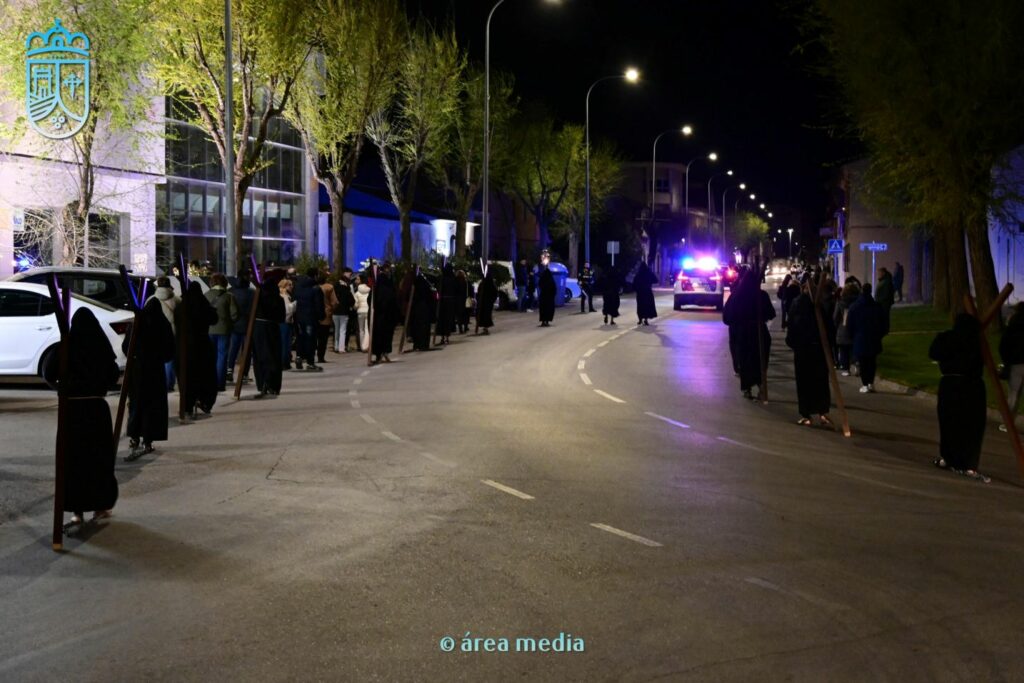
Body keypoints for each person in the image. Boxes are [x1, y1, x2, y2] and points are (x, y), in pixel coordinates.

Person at [43, 308, 120, 534]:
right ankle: (100, 506)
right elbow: (113, 374)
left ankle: (76, 511)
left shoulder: (66, 347)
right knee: (97, 459)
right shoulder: (101, 347)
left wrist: (62, 388)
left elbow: (48, 372)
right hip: (96, 409)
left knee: (74, 459)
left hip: (72, 410)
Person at [929, 314, 987, 479]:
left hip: (952, 384)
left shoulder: (948, 338)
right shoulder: (976, 341)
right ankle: (968, 462)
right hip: (973, 386)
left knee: (949, 422)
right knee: (972, 426)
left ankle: (950, 457)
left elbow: (934, 352)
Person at [123, 295, 175, 460]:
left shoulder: (136, 324)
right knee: (153, 405)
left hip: (137, 370)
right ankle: (148, 439)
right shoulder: (163, 325)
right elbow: (169, 350)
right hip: (155, 370)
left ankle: (134, 436)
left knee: (136, 403)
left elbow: (126, 347)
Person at [786, 277, 834, 426]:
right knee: (820, 381)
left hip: (804, 350)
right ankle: (822, 411)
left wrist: (794, 343)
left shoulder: (801, 304)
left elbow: (792, 326)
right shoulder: (818, 305)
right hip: (817, 349)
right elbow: (829, 327)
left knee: (805, 382)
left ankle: (807, 414)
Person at [723, 270, 776, 399]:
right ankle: (760, 384)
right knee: (759, 360)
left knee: (745, 360)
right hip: (758, 332)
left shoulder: (736, 295)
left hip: (743, 333)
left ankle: (747, 388)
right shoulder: (761, 295)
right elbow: (771, 313)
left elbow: (727, 317)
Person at [177, 281, 219, 417]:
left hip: (185, 346)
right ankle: (205, 400)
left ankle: (187, 405)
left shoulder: (182, 306)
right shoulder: (203, 304)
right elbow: (214, 318)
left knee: (187, 377)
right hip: (202, 344)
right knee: (205, 375)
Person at [846, 283, 884, 393]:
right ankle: (870, 382)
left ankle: (865, 383)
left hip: (860, 338)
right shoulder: (876, 306)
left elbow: (849, 324)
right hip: (873, 338)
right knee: (872, 361)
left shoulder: (854, 307)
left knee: (863, 362)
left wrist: (853, 335)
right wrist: (879, 334)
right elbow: (882, 323)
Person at [205, 273, 238, 391]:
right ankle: (220, 384)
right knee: (222, 356)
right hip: (224, 330)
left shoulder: (206, 295)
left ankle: (210, 382)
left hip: (209, 330)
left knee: (210, 357)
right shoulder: (229, 296)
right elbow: (234, 314)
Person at [253, 278, 284, 397]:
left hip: (258, 328)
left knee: (260, 357)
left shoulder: (258, 298)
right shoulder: (278, 299)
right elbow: (281, 318)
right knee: (273, 356)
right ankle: (272, 384)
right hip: (272, 328)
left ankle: (262, 383)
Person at [999, 302, 1024, 432]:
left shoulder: (1012, 327)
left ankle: (1008, 424)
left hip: (1016, 364)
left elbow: (1004, 346)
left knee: (1013, 396)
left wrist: (1006, 361)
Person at [292, 268, 323, 372]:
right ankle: (310, 362)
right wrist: (321, 316)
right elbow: (318, 304)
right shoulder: (315, 288)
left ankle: (299, 356)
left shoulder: (298, 287)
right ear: (315, 275)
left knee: (301, 337)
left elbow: (294, 300)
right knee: (311, 339)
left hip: (299, 316)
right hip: (311, 317)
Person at [226, 273, 254, 384]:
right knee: (246, 350)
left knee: (233, 349)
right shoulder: (251, 293)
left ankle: (229, 370)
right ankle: (244, 373)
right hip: (247, 325)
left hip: (234, 325)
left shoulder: (231, 292)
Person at [153, 277, 179, 391]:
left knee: (156, 358)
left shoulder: (151, 300)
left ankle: (159, 382)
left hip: (156, 333)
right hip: (173, 332)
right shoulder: (177, 300)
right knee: (170, 358)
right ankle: (169, 383)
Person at [370, 268, 400, 363]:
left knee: (378, 336)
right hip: (388, 318)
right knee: (387, 336)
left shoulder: (376, 289)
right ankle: (386, 352)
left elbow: (370, 301)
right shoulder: (390, 289)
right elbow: (395, 303)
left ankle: (378, 355)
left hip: (378, 318)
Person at [833, 281, 860, 376]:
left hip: (843, 328)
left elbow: (836, 317)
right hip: (856, 328)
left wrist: (836, 325)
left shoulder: (840, 302)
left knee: (843, 350)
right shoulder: (858, 301)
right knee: (854, 348)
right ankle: (856, 363)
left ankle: (846, 369)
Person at [409, 270, 435, 351]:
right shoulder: (426, 287)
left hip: (416, 309)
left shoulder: (415, 287)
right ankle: (424, 344)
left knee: (417, 327)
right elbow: (431, 297)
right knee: (424, 328)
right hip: (425, 309)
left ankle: (417, 344)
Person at [333, 269, 356, 353]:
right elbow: (351, 300)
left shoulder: (335, 285)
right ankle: (341, 348)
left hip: (335, 311)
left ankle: (336, 346)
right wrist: (351, 305)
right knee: (343, 330)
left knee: (336, 330)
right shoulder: (346, 287)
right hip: (344, 311)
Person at [435, 263, 458, 345]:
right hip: (449, 301)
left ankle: (443, 337)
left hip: (443, 301)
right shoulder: (453, 278)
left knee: (442, 319)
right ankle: (446, 337)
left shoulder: (442, 278)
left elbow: (438, 289)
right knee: (447, 320)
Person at [317, 272, 338, 363]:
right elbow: (335, 302)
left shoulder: (314, 287)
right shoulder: (329, 288)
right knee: (323, 337)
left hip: (314, 315)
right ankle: (320, 356)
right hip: (326, 314)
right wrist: (332, 309)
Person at [278, 278, 296, 370]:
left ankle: (285, 361)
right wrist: (294, 304)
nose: (292, 286)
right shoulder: (284, 296)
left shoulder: (284, 296)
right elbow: (288, 310)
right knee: (285, 343)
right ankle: (285, 362)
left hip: (284, 322)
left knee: (285, 343)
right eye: (290, 285)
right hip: (285, 322)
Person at [633, 262, 658, 326]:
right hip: (648, 292)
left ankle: (640, 319)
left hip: (640, 293)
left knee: (640, 306)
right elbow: (656, 280)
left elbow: (634, 283)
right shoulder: (649, 273)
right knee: (647, 306)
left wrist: (636, 289)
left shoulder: (638, 274)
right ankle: (646, 320)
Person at [875, 267, 895, 336]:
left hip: (884, 303)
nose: (878, 274)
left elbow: (886, 294)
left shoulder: (886, 282)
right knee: (883, 317)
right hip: (882, 303)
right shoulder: (883, 281)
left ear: (883, 273)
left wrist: (879, 300)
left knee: (885, 317)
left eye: (879, 273)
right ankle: (884, 329)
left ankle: (885, 330)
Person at [354, 275, 370, 351]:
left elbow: (356, 304)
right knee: (367, 329)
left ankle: (361, 346)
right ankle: (366, 345)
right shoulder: (369, 290)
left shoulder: (357, 292)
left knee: (361, 330)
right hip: (367, 310)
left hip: (360, 311)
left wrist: (355, 307)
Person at [456, 269, 474, 334]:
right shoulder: (467, 282)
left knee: (459, 315)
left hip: (458, 300)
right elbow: (471, 290)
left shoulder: (455, 282)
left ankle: (460, 329)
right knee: (466, 314)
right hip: (466, 299)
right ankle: (465, 327)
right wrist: (472, 297)